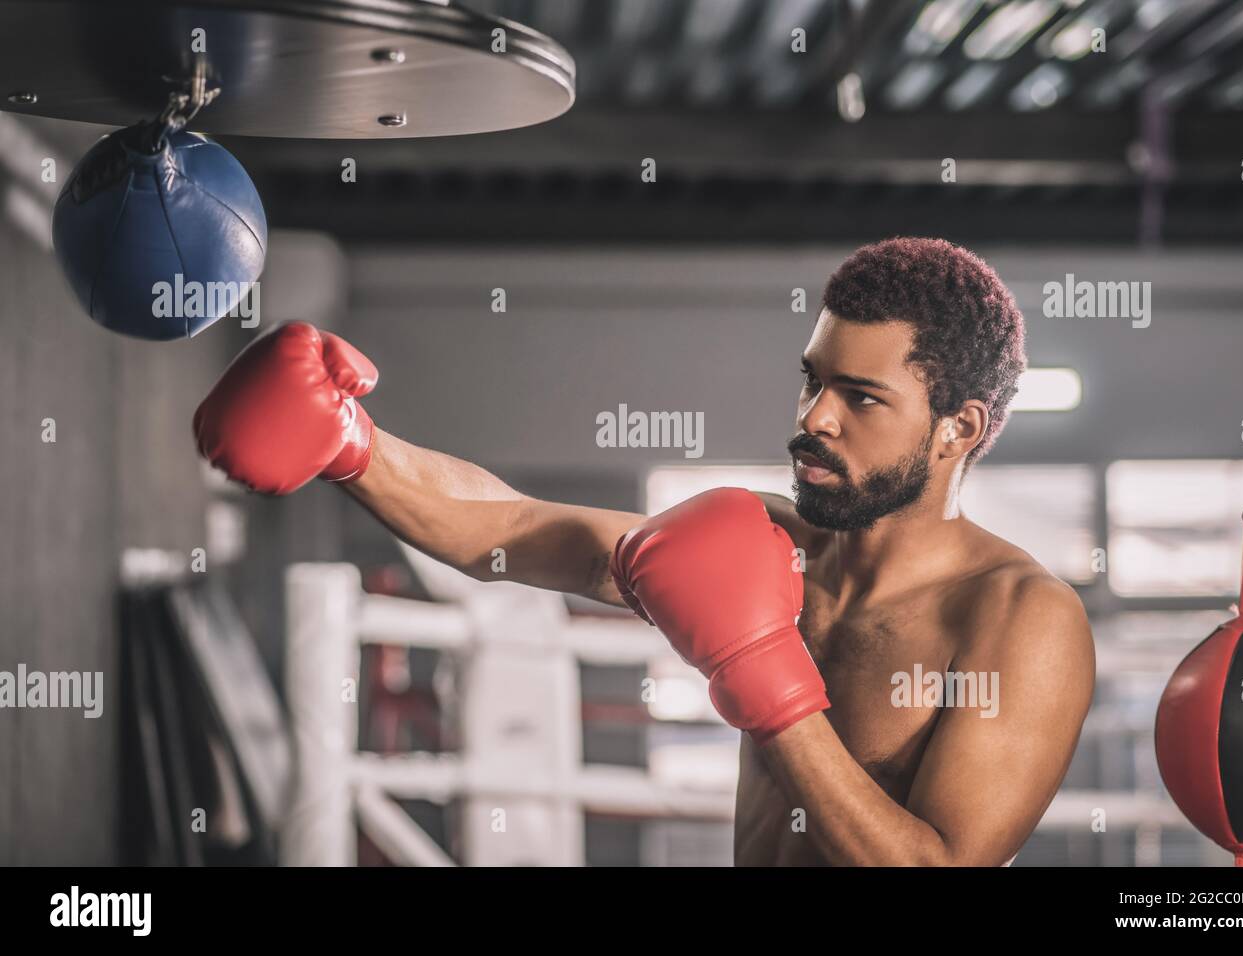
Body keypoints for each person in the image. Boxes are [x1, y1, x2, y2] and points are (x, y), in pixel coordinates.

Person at [193, 237, 1095, 866]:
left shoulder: (1020, 618)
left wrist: (771, 685)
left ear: (959, 429)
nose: (814, 418)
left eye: (860, 398)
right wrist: (352, 444)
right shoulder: (766, 540)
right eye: (813, 381)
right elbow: (509, 531)